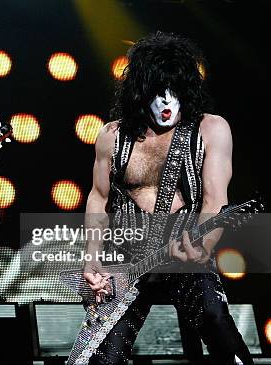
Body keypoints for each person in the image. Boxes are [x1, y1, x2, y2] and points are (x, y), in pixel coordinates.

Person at [76, 32, 253, 365]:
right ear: (140, 92)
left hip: (183, 256)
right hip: (127, 261)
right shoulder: (112, 135)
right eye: (158, 92)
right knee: (101, 358)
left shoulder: (210, 129)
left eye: (175, 91)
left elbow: (215, 200)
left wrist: (203, 246)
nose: (167, 102)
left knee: (217, 323)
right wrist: (92, 260)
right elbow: (98, 199)